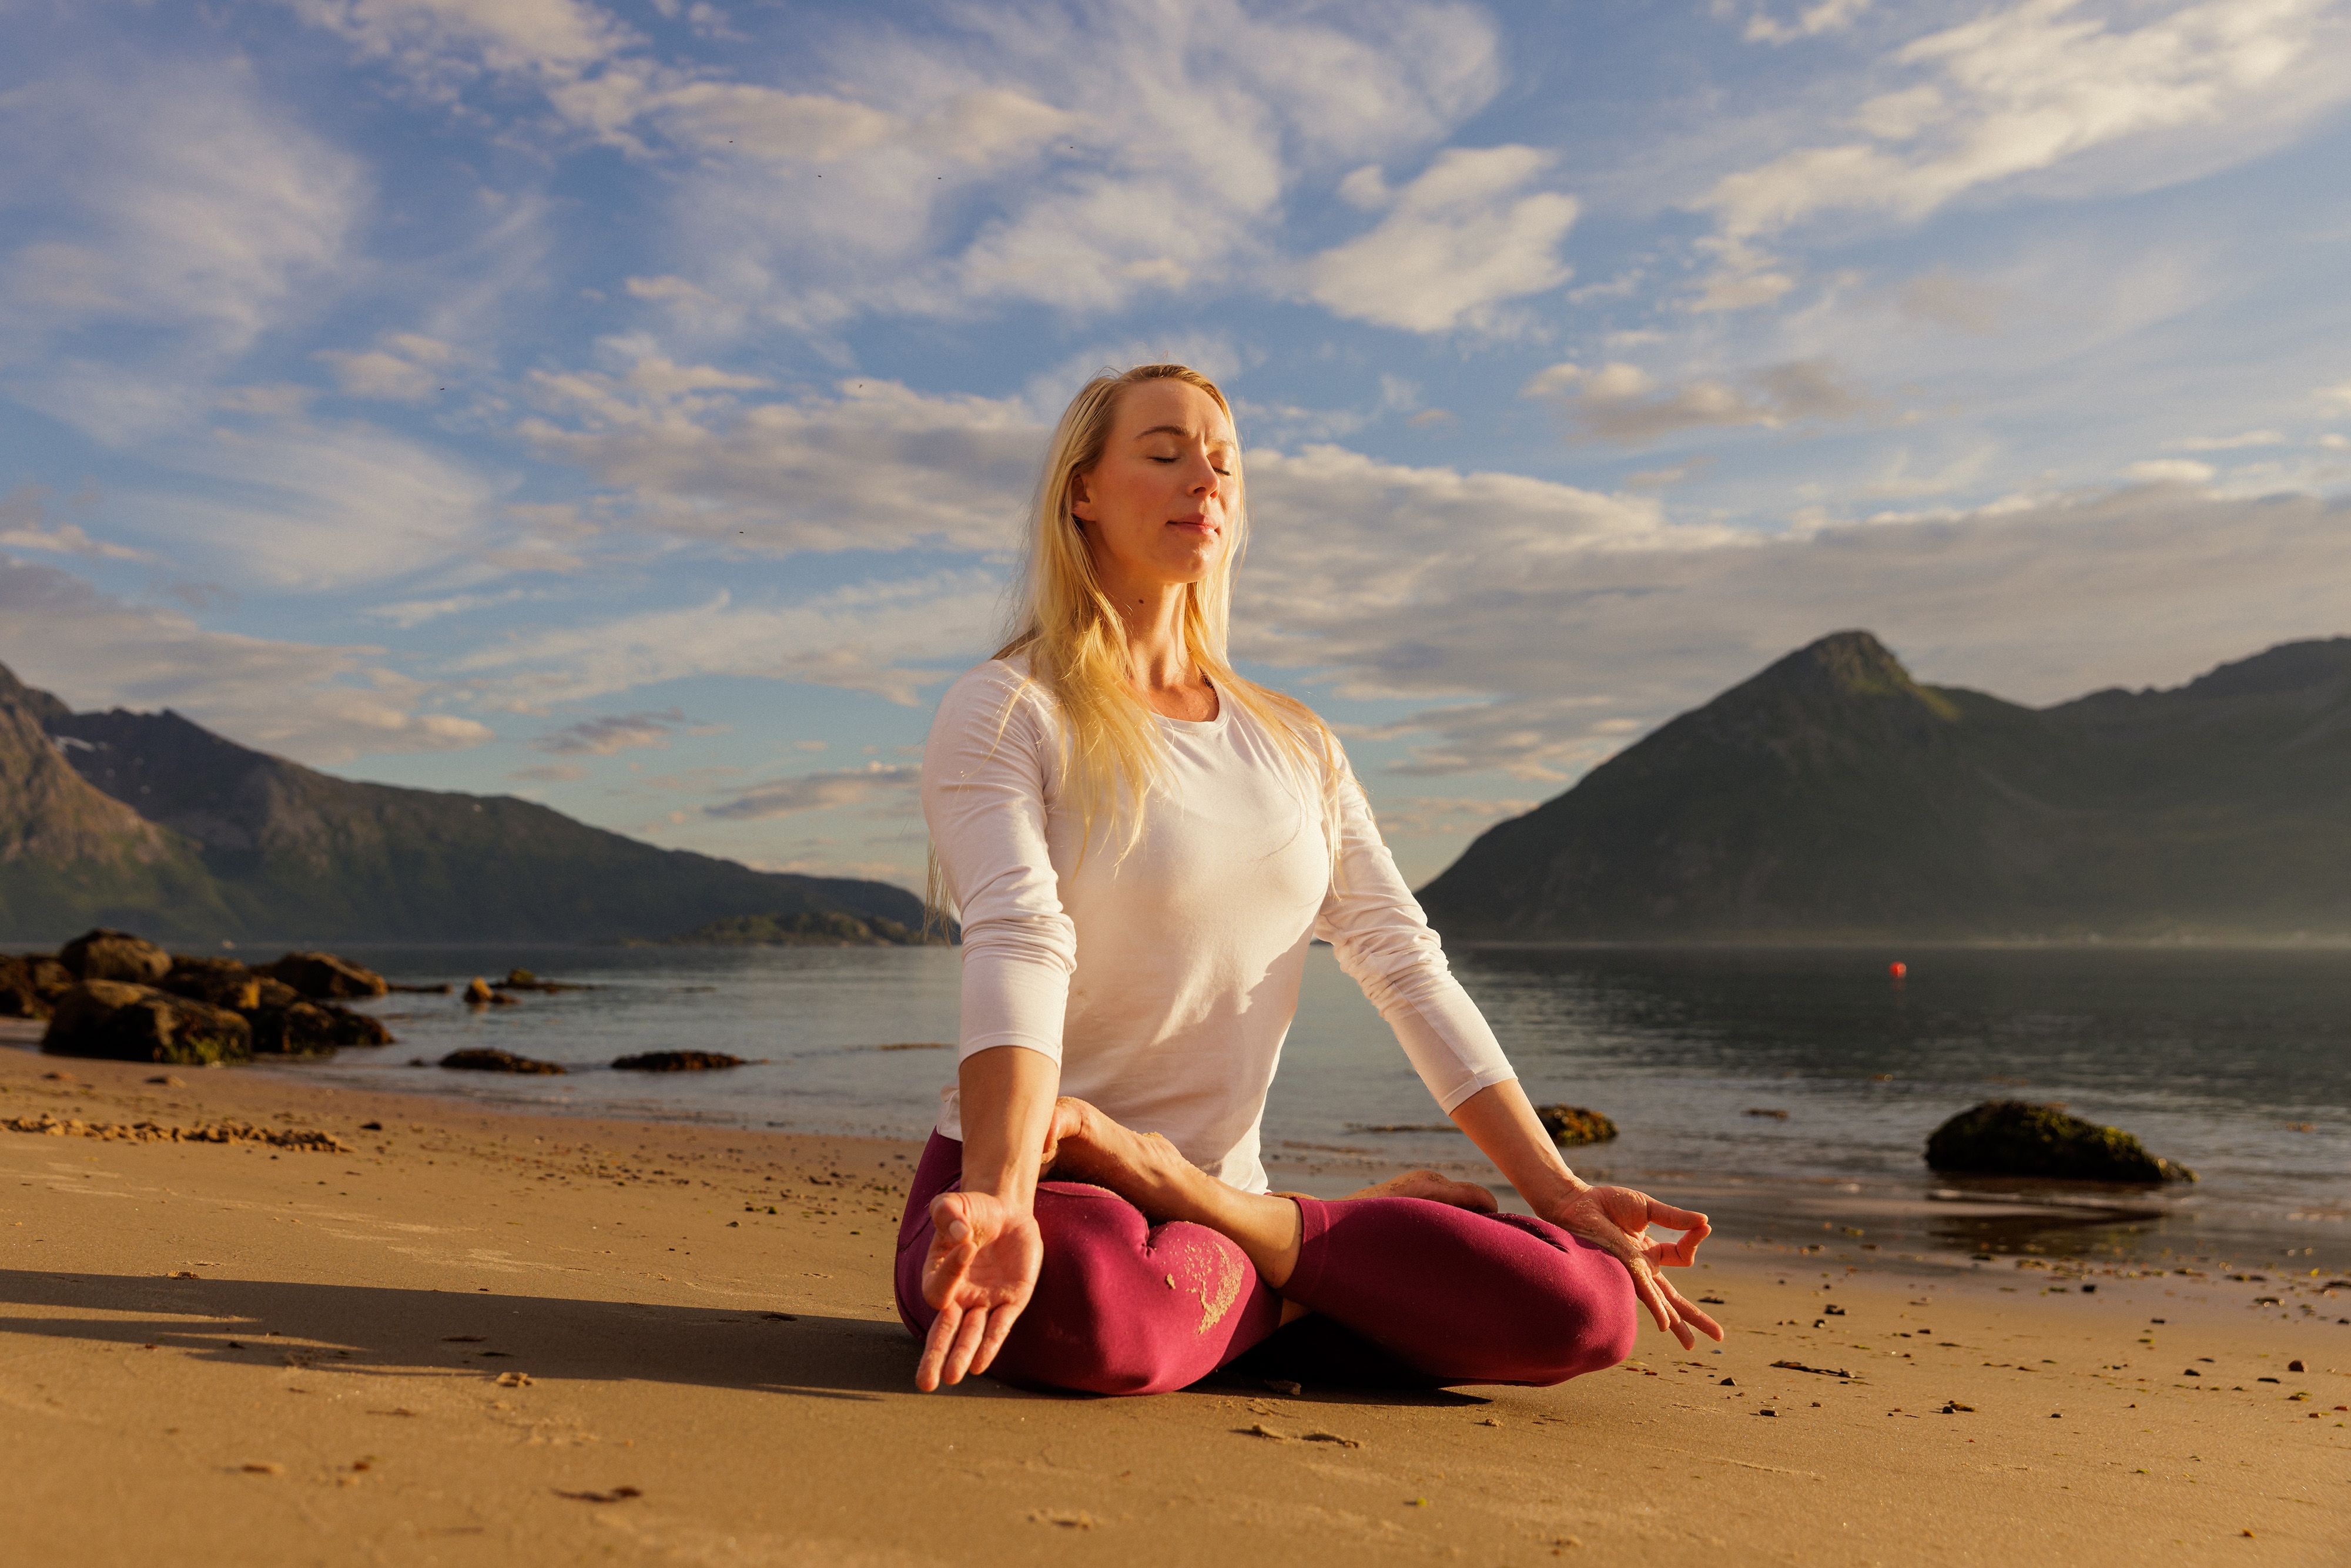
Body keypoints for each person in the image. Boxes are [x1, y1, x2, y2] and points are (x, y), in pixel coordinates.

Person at [897, 363, 1723, 1396]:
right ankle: (1316, 1264)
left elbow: (1403, 965)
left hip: (1214, 1204)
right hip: (1044, 1186)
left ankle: (1249, 1232)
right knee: (1092, 1312)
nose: (1205, 476)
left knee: (1588, 1308)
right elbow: (1020, 938)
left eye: (1224, 462)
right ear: (1083, 491)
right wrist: (1002, 1193)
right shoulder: (1010, 710)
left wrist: (1557, 1193)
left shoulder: (1297, 745)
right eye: (1165, 453)